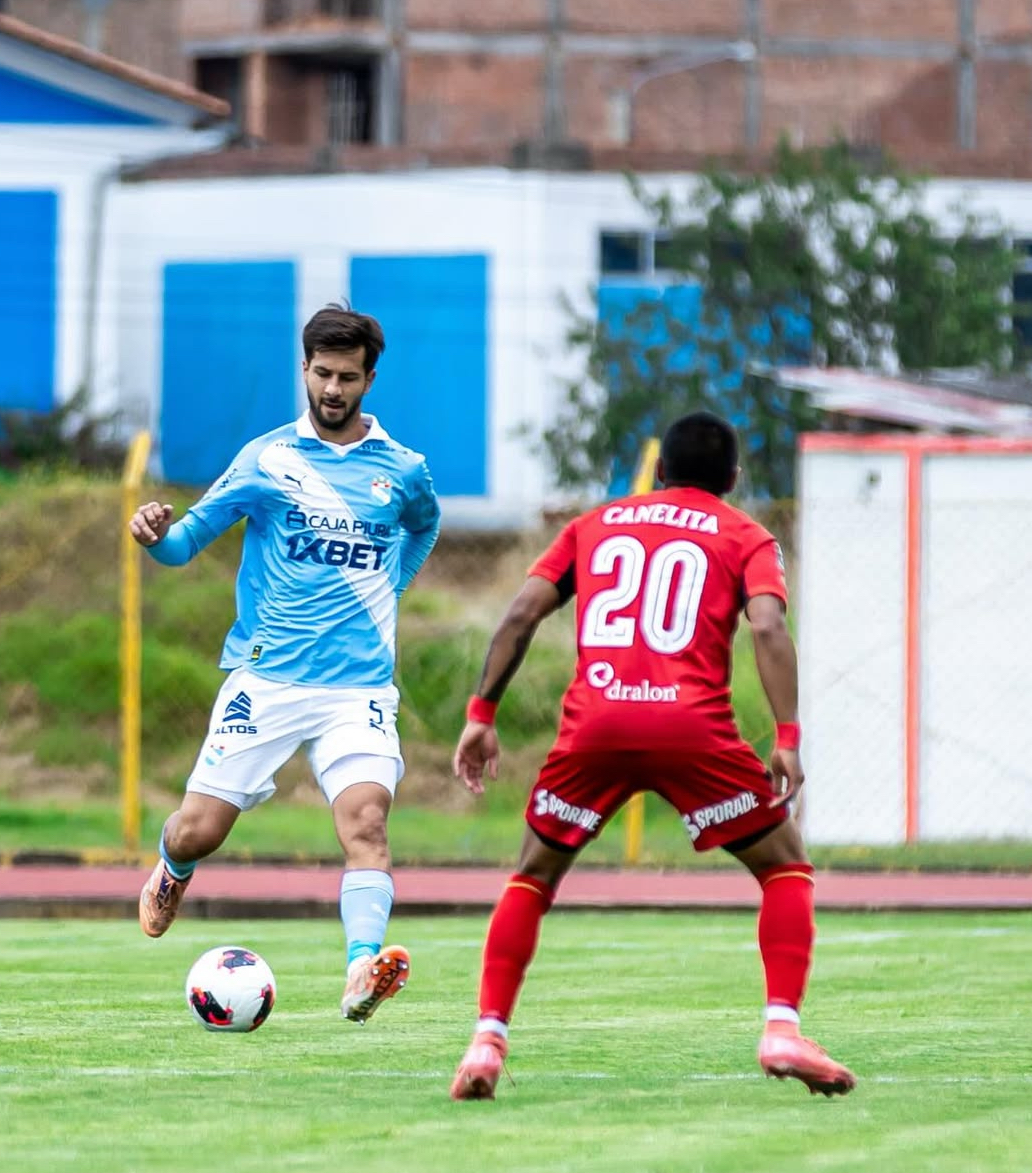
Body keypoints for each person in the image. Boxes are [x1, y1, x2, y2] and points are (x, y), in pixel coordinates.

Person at [448, 410, 856, 1100]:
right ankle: (782, 1030)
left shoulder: (592, 525)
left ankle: (487, 1040)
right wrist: (786, 736)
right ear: (732, 477)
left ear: (660, 470)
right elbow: (766, 626)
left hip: (596, 725)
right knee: (784, 866)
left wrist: (481, 715)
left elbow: (520, 613)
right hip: (691, 730)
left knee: (532, 877)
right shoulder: (745, 535)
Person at [129, 302, 441, 1025]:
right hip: (267, 681)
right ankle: (172, 868)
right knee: (197, 830)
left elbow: (423, 526)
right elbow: (185, 543)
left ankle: (361, 967)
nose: (333, 389)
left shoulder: (403, 469)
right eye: (323, 373)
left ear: (369, 379)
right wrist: (153, 536)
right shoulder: (266, 459)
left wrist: (392, 585)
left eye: (348, 377)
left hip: (358, 689)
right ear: (304, 368)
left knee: (367, 823)